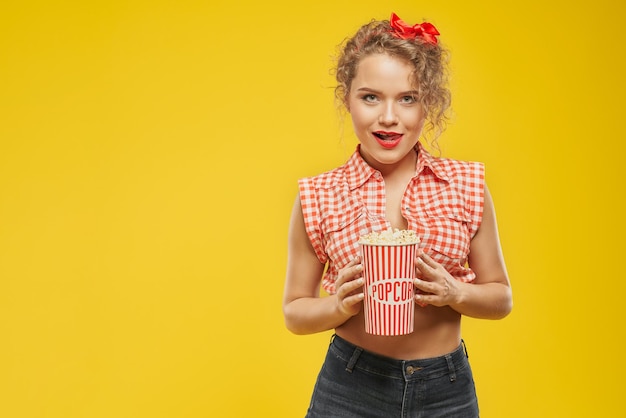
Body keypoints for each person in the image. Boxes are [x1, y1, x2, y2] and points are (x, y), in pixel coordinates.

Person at [283, 12, 512, 418]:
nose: (388, 117)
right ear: (347, 99)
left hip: (447, 388)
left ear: (429, 104)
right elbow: (295, 311)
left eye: (408, 98)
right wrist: (339, 305)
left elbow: (501, 297)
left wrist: (455, 292)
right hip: (350, 385)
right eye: (370, 97)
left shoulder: (465, 184)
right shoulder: (318, 195)